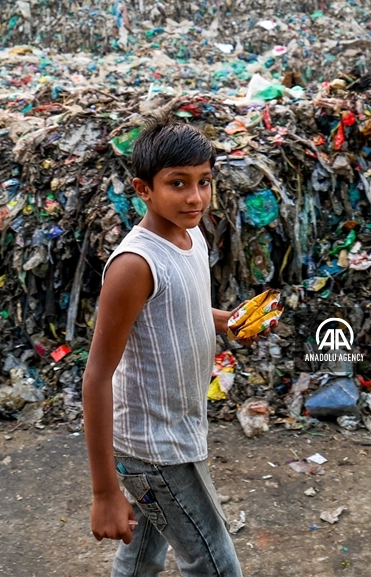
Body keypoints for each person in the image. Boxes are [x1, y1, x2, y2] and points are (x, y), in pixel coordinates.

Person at [83, 119, 274, 577]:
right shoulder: (134, 265)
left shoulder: (191, 237)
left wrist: (228, 321)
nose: (195, 197)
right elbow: (95, 378)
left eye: (204, 182)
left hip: (175, 431)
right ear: (143, 189)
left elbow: (181, 308)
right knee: (214, 564)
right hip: (155, 450)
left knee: (143, 553)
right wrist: (104, 492)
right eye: (177, 184)